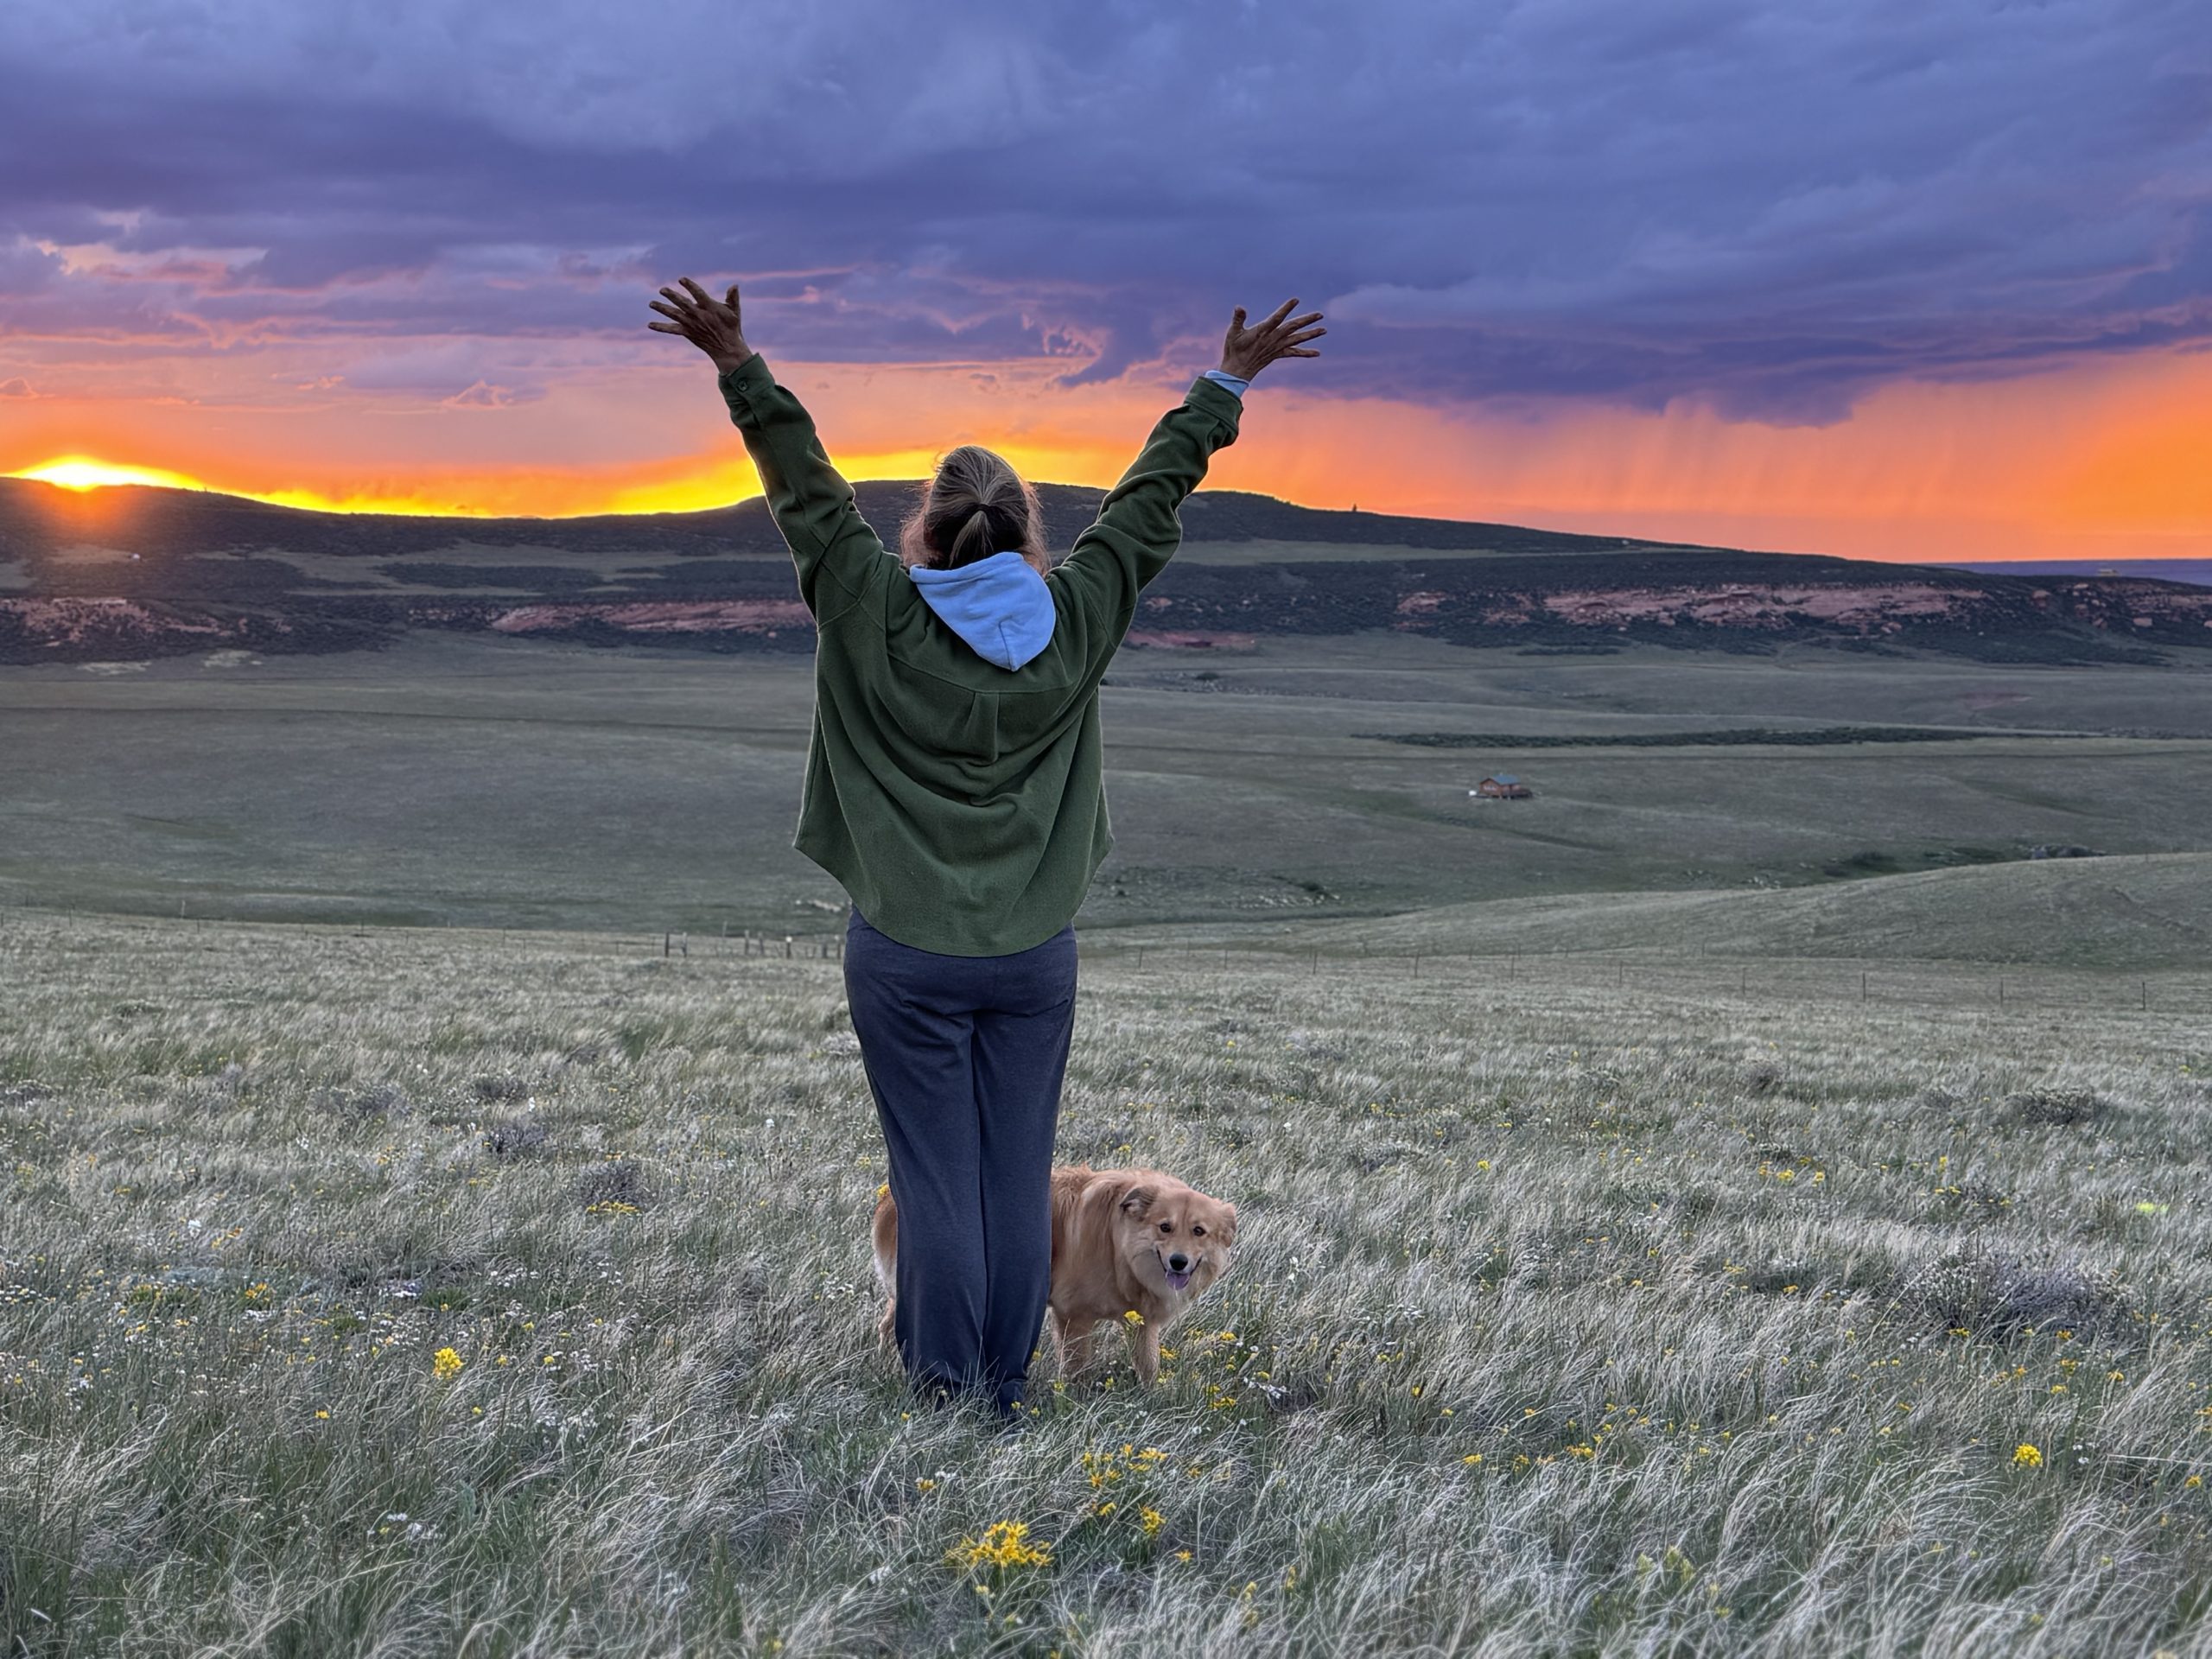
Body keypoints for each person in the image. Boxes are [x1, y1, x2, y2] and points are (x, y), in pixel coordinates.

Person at [647, 277, 1324, 1417]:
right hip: (1030, 955)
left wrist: (738, 363)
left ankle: (950, 1386)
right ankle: (1000, 1387)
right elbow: (1148, 505)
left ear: (923, 528)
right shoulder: (1080, 614)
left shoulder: (869, 605)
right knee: (1018, 1182)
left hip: (904, 949)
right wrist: (1225, 383)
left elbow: (806, 495)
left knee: (936, 1180)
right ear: (1025, 532)